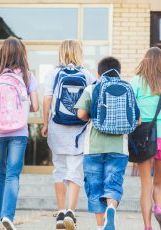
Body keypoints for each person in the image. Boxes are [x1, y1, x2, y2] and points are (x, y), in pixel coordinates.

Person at [0, 37, 39, 230]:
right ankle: (7, 217)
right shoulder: (27, 75)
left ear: (2, 52)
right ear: (22, 53)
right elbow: (35, 106)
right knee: (13, 175)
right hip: (19, 131)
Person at [41, 39, 95, 230]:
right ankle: (71, 212)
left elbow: (47, 99)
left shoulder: (53, 73)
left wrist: (45, 123)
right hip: (79, 131)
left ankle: (61, 212)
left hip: (57, 128)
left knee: (59, 170)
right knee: (74, 171)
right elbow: (91, 102)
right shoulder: (87, 74)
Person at [75, 56, 133, 230]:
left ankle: (101, 226)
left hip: (93, 147)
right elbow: (136, 120)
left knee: (95, 188)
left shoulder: (92, 88)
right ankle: (111, 209)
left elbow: (80, 114)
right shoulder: (127, 88)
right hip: (119, 148)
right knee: (113, 184)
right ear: (119, 72)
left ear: (98, 74)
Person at [130, 47, 161, 230]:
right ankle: (159, 208)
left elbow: (132, 110)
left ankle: (147, 226)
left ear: (145, 61)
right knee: (159, 182)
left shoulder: (135, 81)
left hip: (143, 137)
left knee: (146, 184)